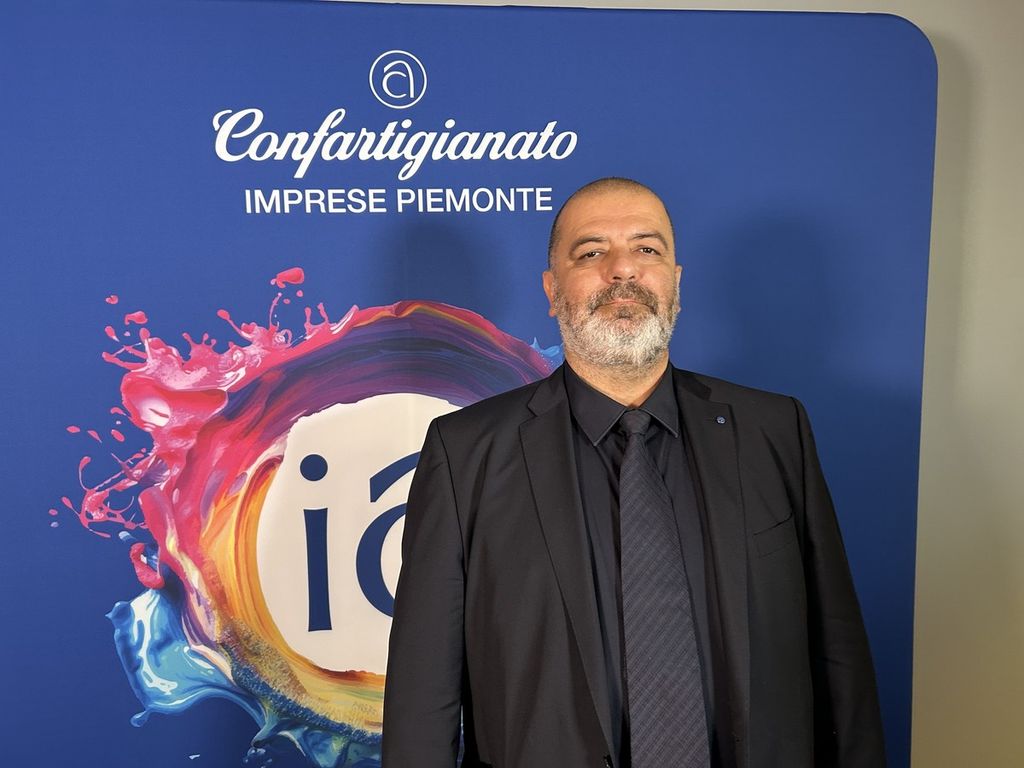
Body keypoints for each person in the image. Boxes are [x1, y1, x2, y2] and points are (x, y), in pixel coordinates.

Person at [381, 178, 885, 768]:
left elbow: (838, 654)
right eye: (591, 252)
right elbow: (423, 693)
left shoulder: (774, 430)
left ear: (676, 282)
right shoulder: (465, 452)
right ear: (552, 290)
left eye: (647, 249)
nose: (623, 269)